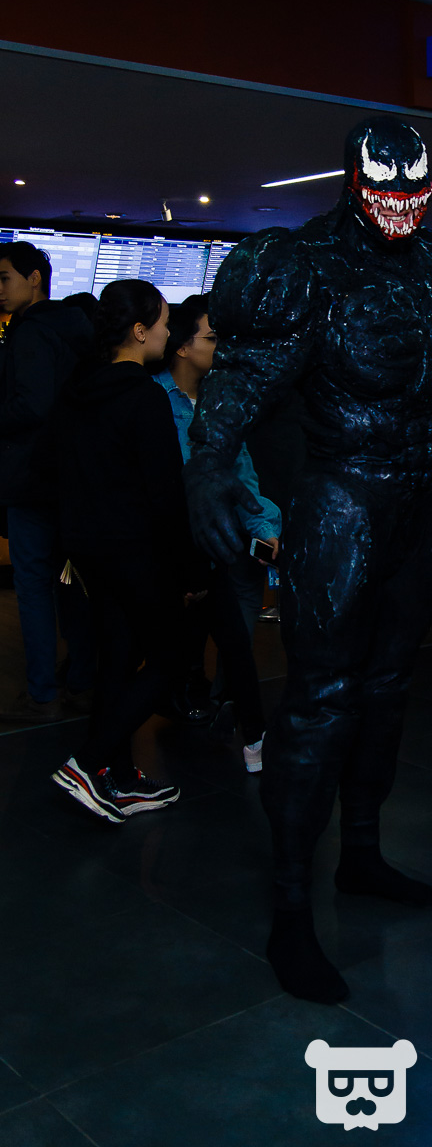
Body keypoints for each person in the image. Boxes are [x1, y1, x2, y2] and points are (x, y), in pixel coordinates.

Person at [185, 116, 432, 1004]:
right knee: (320, 700)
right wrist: (209, 464)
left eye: (414, 189)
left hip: (425, 494)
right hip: (344, 494)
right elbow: (242, 377)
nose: (400, 205)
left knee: (388, 687)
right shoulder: (302, 262)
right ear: (353, 182)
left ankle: (361, 852)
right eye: (383, 189)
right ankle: (290, 907)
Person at [51, 280, 199, 822]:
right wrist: (189, 571)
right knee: (172, 657)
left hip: (89, 550)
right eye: (162, 323)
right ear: (139, 331)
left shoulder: (77, 389)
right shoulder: (144, 397)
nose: (167, 332)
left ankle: (118, 777)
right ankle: (88, 764)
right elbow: (165, 496)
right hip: (137, 550)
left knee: (116, 657)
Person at [153, 294, 281, 771]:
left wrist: (263, 526)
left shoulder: (221, 401)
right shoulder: (152, 399)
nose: (221, 346)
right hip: (174, 549)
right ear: (182, 346)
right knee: (165, 652)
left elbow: (242, 472)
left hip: (222, 545)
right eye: (211, 337)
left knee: (236, 641)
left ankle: (245, 729)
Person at [0, 242, 96, 720]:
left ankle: (41, 693)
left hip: (31, 477)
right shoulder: (79, 328)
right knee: (71, 584)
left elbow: (31, 405)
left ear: (34, 278)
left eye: (5, 278)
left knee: (34, 585)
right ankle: (80, 681)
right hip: (72, 479)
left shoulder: (31, 331)